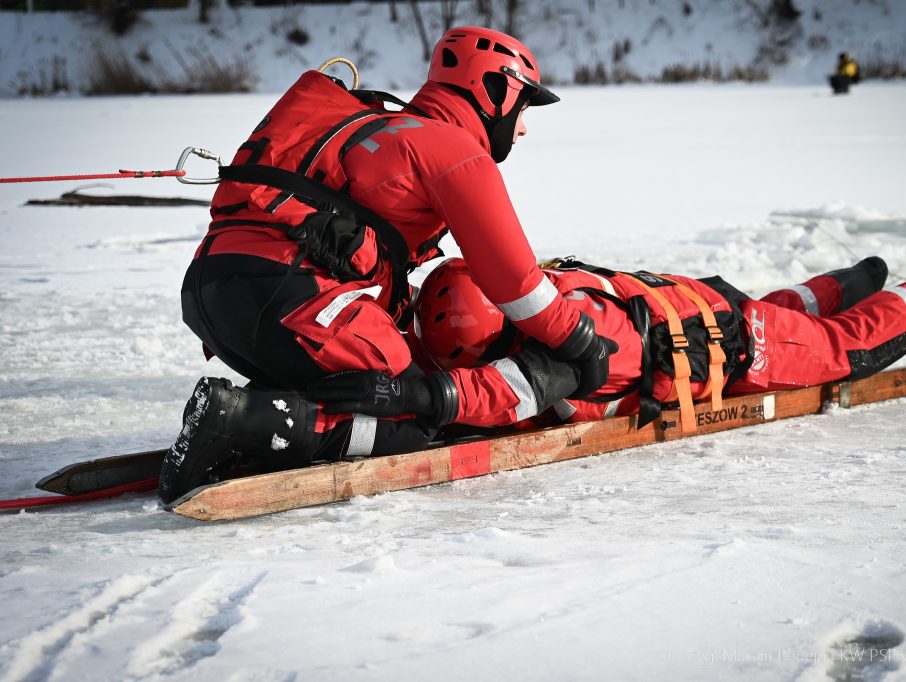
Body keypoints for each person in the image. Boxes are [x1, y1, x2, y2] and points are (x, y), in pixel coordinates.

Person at [159, 26, 617, 503]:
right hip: (286, 293)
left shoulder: (380, 128)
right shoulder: (451, 148)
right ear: (496, 89)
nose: (523, 127)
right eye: (523, 107)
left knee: (376, 384)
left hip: (211, 292)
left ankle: (252, 418)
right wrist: (581, 343)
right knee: (412, 416)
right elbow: (515, 283)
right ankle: (238, 423)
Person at [314, 254, 906, 431]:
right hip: (700, 307)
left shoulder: (564, 352)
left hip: (738, 344)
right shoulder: (541, 297)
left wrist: (421, 394)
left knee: (842, 350)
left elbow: (510, 392)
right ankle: (857, 277)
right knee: (786, 313)